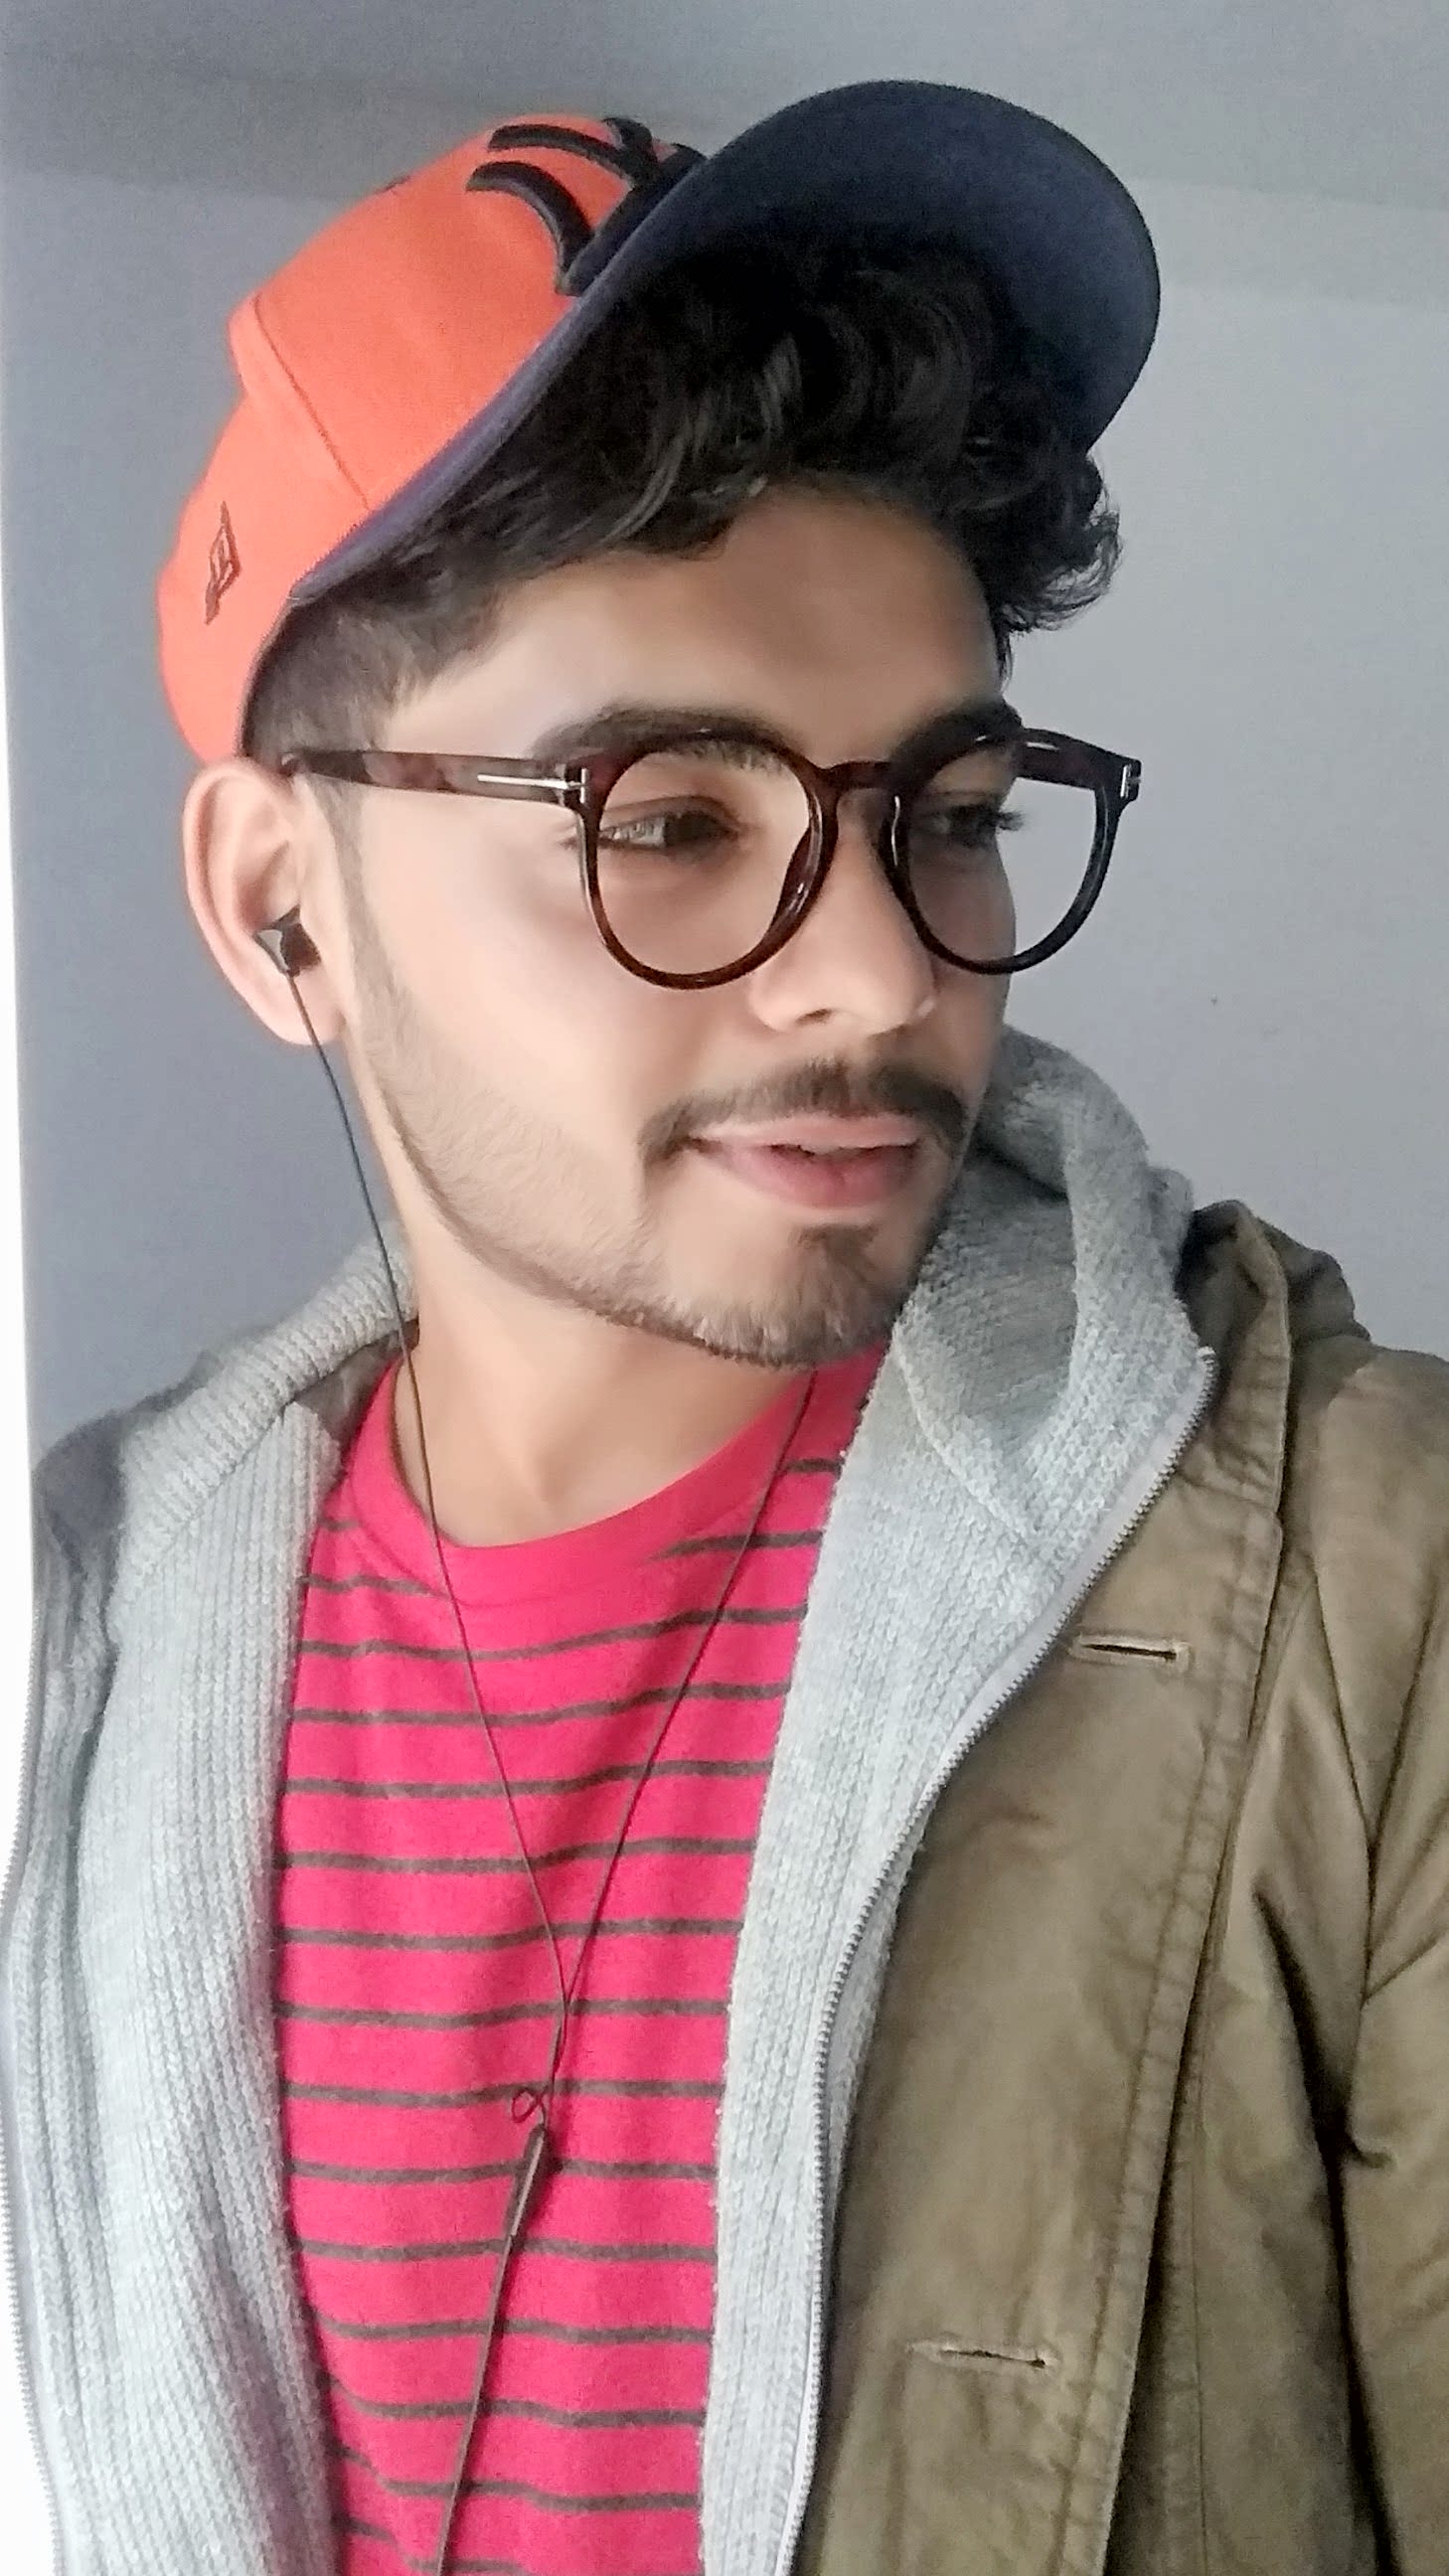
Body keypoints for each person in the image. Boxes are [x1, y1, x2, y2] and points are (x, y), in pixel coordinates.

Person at [1, 75, 1445, 2576]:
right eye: (670, 822)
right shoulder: (70, 1649)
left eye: (949, 818)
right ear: (278, 906)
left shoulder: (1371, 1591)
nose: (884, 972)